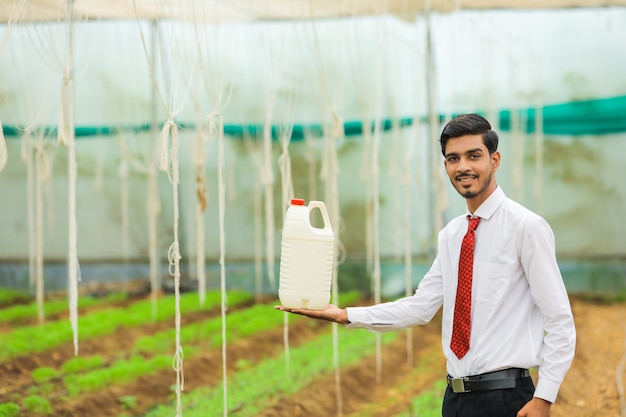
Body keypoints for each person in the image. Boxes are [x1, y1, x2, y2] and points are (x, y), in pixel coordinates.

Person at [275, 113, 576, 417]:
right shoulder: (452, 235)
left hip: (506, 398)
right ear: (445, 165)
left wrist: (544, 397)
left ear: (494, 160)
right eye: (453, 158)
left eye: (474, 156)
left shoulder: (526, 227)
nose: (463, 167)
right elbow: (420, 306)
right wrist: (344, 314)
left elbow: (559, 319)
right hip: (455, 398)